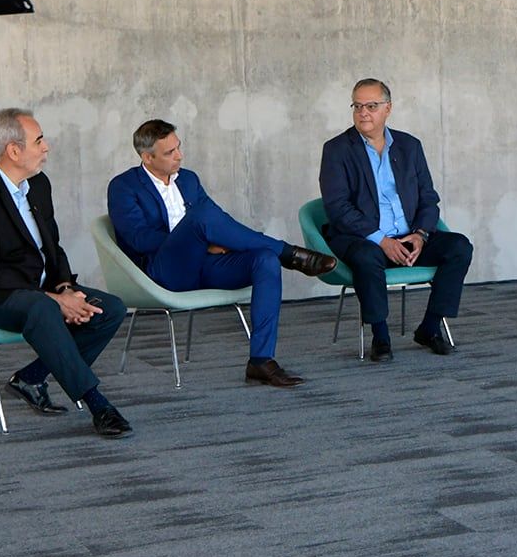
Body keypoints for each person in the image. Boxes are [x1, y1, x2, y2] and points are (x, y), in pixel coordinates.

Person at [0, 108, 132, 438]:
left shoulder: (37, 185)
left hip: (33, 290)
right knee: (41, 308)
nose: (46, 147)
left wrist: (66, 288)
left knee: (108, 308)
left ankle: (32, 377)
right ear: (14, 150)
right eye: (38, 140)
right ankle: (99, 405)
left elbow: (51, 248)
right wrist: (53, 299)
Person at [107, 119, 338, 388]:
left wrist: (210, 241)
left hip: (205, 266)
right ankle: (290, 253)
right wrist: (198, 241)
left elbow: (219, 221)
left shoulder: (189, 179)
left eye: (178, 147)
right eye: (170, 153)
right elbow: (139, 238)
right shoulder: (123, 186)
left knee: (264, 260)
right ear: (147, 157)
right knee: (201, 217)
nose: (179, 156)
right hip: (164, 272)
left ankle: (261, 361)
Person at [318, 78, 473, 363]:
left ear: (388, 108)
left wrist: (421, 235)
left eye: (372, 106)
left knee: (459, 246)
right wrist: (382, 240)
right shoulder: (337, 150)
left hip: (409, 236)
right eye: (358, 105)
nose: (363, 112)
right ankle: (381, 336)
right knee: (366, 257)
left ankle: (429, 326)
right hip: (364, 239)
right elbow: (338, 208)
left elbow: (428, 198)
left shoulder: (409, 146)